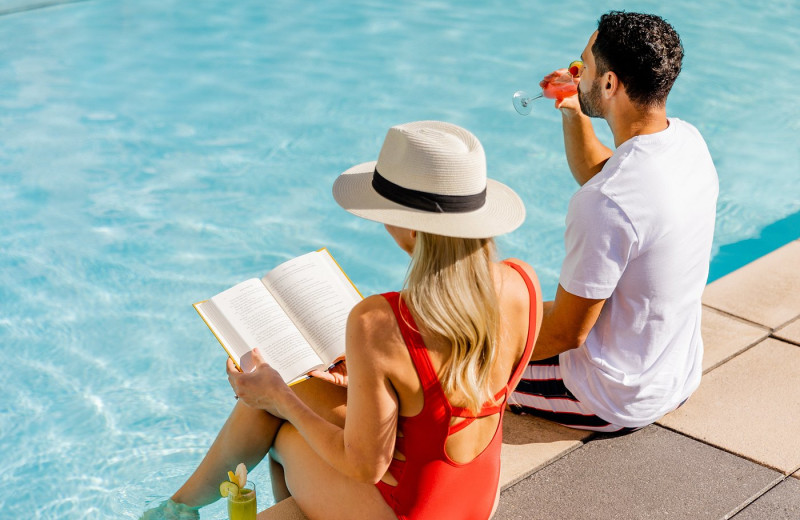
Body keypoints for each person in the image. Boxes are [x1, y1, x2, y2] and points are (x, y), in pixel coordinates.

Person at [141, 120, 543, 520]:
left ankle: (176, 510)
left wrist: (279, 398)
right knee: (294, 392)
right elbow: (450, 392)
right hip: (476, 497)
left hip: (411, 512)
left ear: (409, 225)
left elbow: (366, 467)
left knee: (281, 424)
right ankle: (181, 506)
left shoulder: (379, 321)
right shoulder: (524, 283)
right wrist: (365, 382)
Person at [509, 11, 719, 434]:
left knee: (448, 371)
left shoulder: (605, 202)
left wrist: (474, 348)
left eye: (582, 65)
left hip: (610, 396)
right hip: (672, 372)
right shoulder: (686, 142)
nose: (575, 71)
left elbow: (567, 333)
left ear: (609, 83)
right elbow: (609, 180)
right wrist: (574, 109)